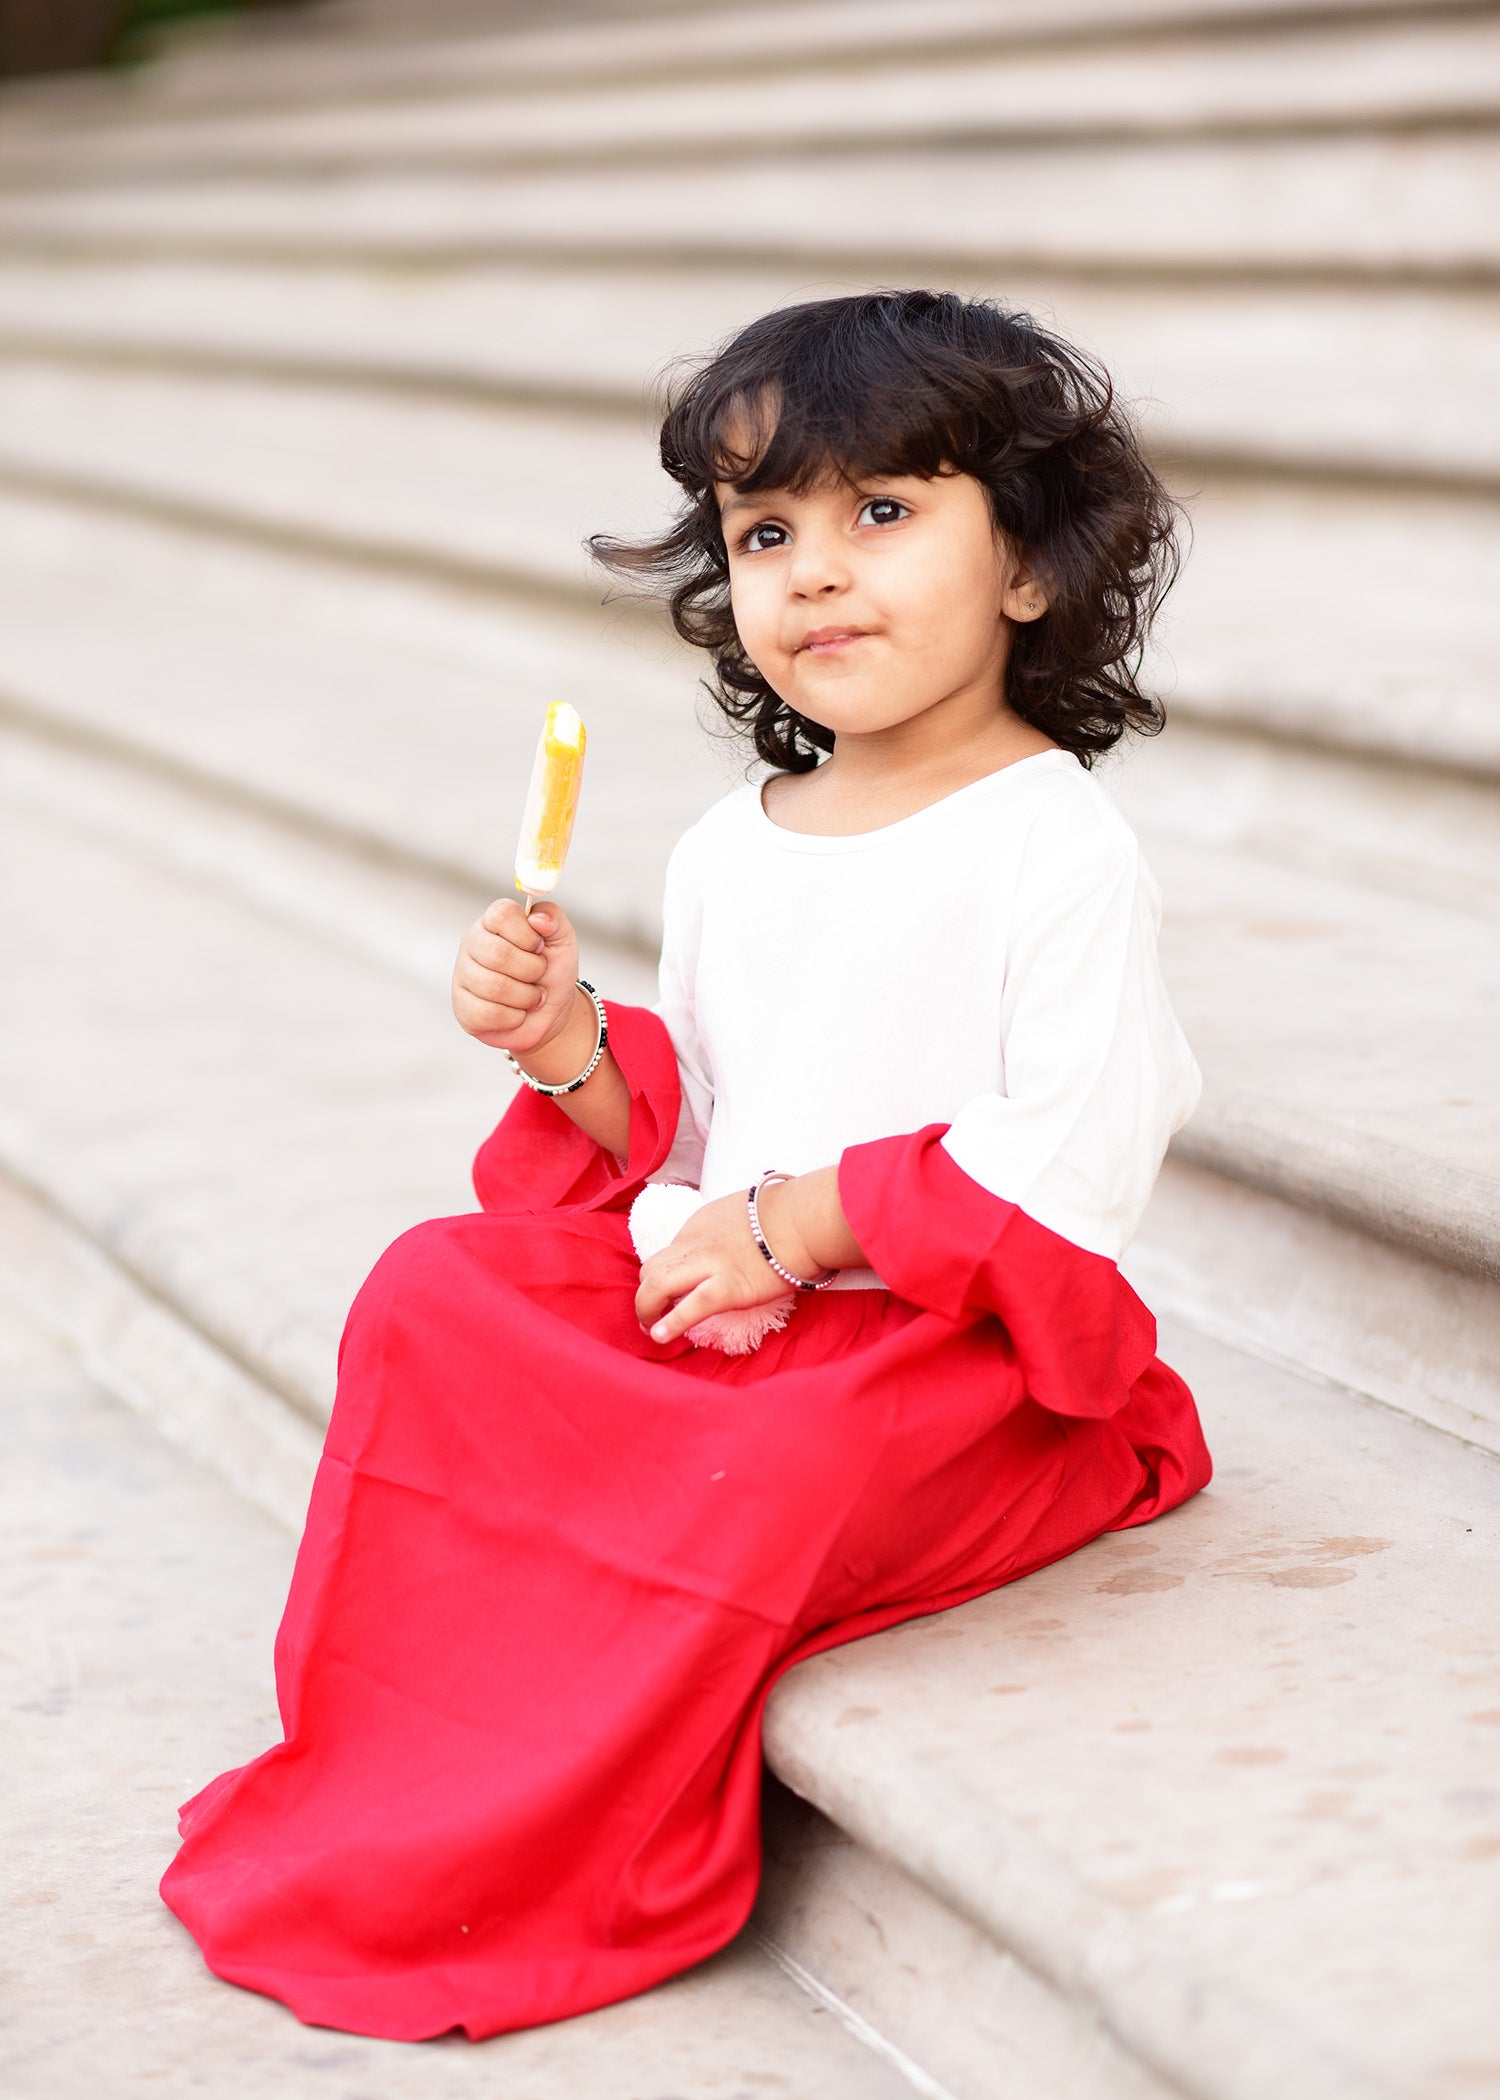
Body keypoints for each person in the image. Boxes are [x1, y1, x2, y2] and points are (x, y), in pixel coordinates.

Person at [160, 289, 1213, 2041]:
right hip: (735, 1275)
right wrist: (571, 1045)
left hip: (940, 1338)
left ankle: (574, 1796)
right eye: (766, 530)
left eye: (883, 512)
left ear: (1029, 566)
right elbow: (712, 1123)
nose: (812, 569)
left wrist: (803, 1229)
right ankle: (414, 1757)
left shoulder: (1057, 851)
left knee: (772, 1458)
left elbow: (1065, 1167)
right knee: (435, 1285)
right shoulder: (739, 844)